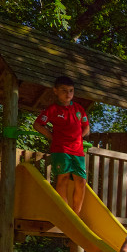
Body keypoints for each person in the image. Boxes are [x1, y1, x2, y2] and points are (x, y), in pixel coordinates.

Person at [34, 75, 91, 214]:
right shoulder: (52, 109)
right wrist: (52, 137)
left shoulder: (78, 109)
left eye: (71, 91)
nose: (68, 94)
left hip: (78, 150)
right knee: (63, 177)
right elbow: (37, 125)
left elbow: (86, 127)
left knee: (81, 181)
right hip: (61, 149)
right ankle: (65, 212)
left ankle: (75, 214)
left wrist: (78, 137)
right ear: (56, 91)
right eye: (64, 90)